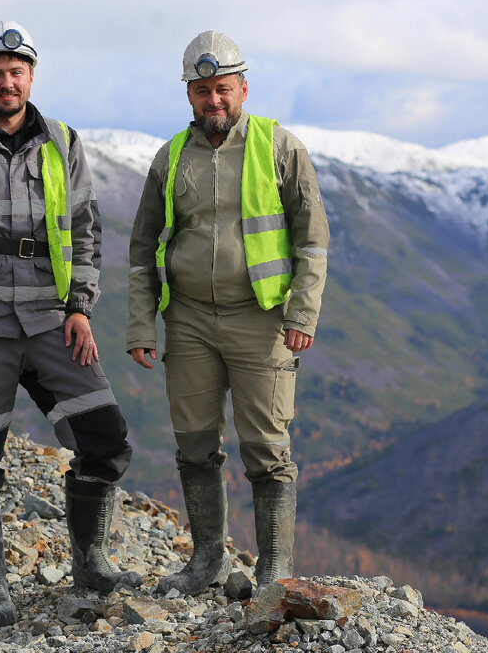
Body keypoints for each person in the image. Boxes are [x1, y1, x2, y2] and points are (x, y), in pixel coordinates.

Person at [0, 20, 141, 626]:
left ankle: (89, 563)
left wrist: (80, 309)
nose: (7, 82)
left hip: (51, 320)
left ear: (31, 77)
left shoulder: (63, 142)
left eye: (16, 72)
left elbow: (87, 231)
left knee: (106, 442)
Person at [127, 30, 329, 595]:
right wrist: (142, 325)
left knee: (267, 447)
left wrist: (302, 316)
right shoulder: (169, 158)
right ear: (187, 94)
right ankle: (207, 561)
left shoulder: (279, 148)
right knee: (194, 443)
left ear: (243, 87)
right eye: (201, 91)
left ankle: (274, 568)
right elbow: (142, 250)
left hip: (261, 318)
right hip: (188, 319)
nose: (213, 101)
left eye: (222, 89)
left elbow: (312, 241)